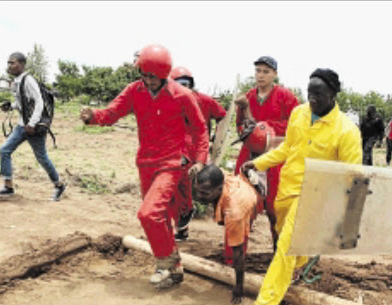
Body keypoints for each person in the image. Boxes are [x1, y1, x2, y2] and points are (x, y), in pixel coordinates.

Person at [79, 44, 209, 288]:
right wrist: (93, 116)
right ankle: (176, 268)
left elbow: (200, 128)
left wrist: (200, 160)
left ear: (163, 74)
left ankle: (164, 263)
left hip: (172, 162)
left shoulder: (182, 95)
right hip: (146, 163)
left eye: (153, 76)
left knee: (148, 214)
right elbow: (112, 113)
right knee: (160, 217)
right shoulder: (133, 91)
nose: (148, 80)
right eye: (144, 75)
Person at [242, 68, 362, 305]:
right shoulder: (299, 114)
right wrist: (258, 163)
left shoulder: (346, 131)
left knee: (287, 244)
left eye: (318, 93)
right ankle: (299, 266)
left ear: (332, 94)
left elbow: (353, 177)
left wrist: (346, 217)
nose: (312, 99)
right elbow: (287, 148)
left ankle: (265, 303)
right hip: (286, 190)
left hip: (314, 195)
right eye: (309, 93)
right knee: (287, 236)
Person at [233, 56, 299, 262]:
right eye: (258, 71)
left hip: (275, 157)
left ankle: (281, 256)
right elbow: (240, 127)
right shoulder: (247, 98)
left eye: (266, 72)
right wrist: (248, 120)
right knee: (241, 204)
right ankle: (235, 256)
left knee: (275, 208)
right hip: (250, 155)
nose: (261, 75)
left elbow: (294, 126)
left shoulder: (286, 97)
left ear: (275, 74)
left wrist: (264, 127)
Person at [0, 52, 66, 201]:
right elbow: (24, 103)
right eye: (8, 63)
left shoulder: (28, 80)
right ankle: (8, 187)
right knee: (4, 150)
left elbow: (39, 103)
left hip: (33, 128)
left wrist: (31, 123)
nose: (9, 66)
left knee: (42, 158)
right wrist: (11, 106)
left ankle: (59, 185)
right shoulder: (17, 81)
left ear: (22, 65)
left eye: (13, 63)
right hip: (21, 126)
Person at [170, 66, 227, 241]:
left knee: (208, 187)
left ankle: (225, 221)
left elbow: (222, 116)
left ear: (192, 84)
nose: (183, 88)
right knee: (177, 190)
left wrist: (216, 141)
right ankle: (183, 226)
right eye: (179, 84)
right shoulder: (170, 103)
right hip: (179, 152)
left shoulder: (205, 101)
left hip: (199, 152)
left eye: (186, 84)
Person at [193, 164, 263, 304]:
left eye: (205, 193)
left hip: (249, 199)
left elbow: (238, 253)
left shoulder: (234, 212)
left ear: (220, 188)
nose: (199, 196)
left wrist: (238, 287)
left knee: (235, 244)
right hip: (237, 188)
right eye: (198, 191)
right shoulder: (219, 176)